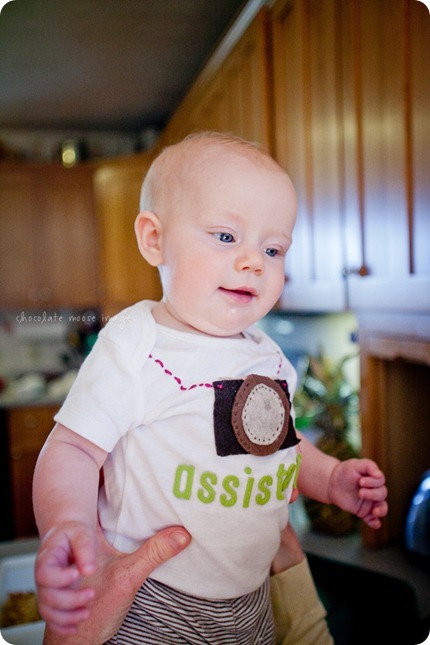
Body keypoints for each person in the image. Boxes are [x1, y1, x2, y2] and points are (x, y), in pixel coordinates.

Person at [33, 131, 387, 644]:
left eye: (273, 247)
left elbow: (280, 444)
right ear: (154, 239)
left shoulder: (266, 355)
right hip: (152, 599)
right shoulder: (137, 341)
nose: (253, 261)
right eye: (226, 237)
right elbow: (71, 449)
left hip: (252, 599)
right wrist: (69, 527)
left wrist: (331, 479)